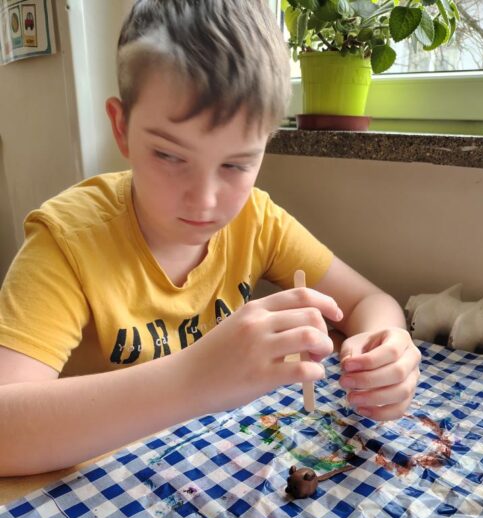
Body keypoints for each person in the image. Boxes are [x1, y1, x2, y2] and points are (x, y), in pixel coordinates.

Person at [0, 0, 420, 477]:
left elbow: (368, 301)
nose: (203, 201)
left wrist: (385, 349)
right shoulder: (68, 240)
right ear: (121, 127)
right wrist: (192, 380)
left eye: (236, 164)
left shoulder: (257, 221)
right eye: (169, 155)